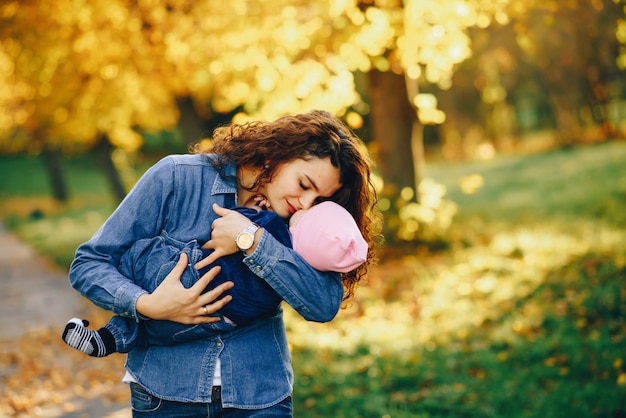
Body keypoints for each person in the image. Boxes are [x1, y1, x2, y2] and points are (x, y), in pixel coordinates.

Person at [67, 109, 382, 417]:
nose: (305, 203)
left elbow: (323, 305)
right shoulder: (177, 176)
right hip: (165, 394)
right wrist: (147, 304)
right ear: (279, 153)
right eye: (303, 185)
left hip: (259, 396)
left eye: (318, 199)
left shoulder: (303, 221)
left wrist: (253, 240)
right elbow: (90, 262)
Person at [62, 200, 368, 357]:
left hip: (191, 277)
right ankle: (109, 339)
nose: (303, 204)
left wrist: (249, 217)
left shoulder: (270, 224)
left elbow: (226, 221)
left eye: (313, 208)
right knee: (157, 329)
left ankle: (112, 333)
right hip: (219, 318)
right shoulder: (295, 270)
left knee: (142, 252)